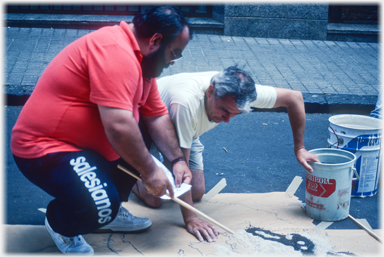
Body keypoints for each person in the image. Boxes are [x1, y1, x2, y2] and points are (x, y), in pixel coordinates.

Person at [11, 6, 193, 255]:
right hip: (46, 148)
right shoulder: (115, 52)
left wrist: (177, 161)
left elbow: (157, 115)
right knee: (100, 205)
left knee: (141, 128)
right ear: (155, 41)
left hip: (86, 148)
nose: (173, 61)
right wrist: (150, 172)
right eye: (174, 53)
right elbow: (118, 126)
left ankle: (111, 209)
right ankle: (61, 223)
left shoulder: (143, 65)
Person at [133, 67, 320, 241]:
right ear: (210, 92)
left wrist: (300, 148)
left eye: (235, 114)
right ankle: (132, 171)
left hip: (188, 131)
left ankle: (150, 169)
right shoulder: (185, 103)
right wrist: (191, 219)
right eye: (224, 111)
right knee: (155, 198)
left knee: (196, 191)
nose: (227, 120)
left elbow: (294, 98)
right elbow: (182, 168)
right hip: (151, 122)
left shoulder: (241, 93)